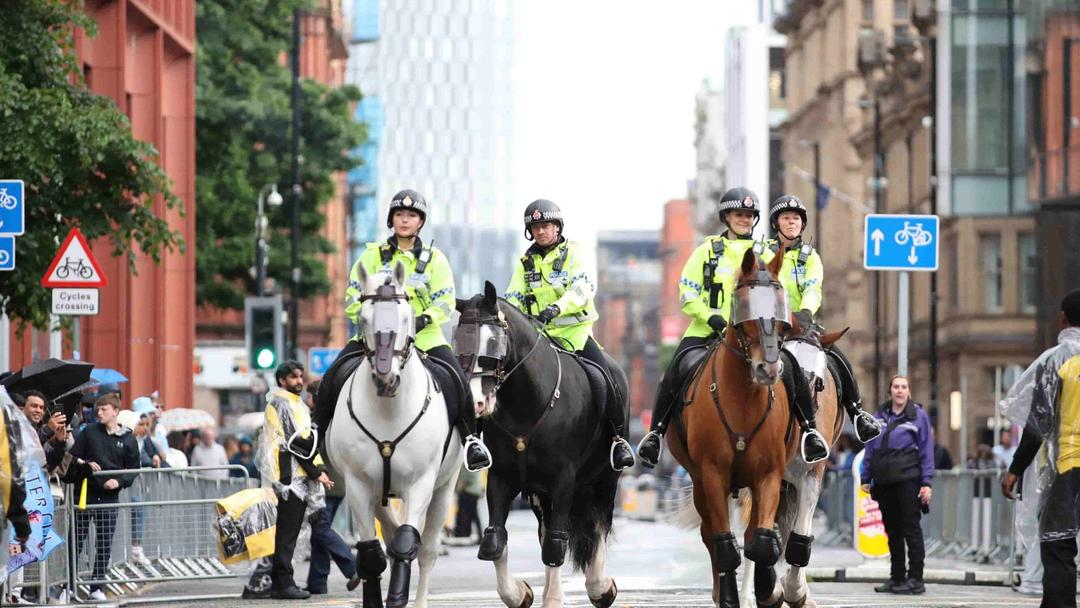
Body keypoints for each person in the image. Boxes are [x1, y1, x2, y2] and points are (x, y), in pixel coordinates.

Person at [638, 187, 830, 466]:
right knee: (676, 369)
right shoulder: (706, 252)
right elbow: (687, 293)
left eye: (750, 215)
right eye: (739, 214)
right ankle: (655, 434)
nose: (745, 219)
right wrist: (709, 316)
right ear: (726, 217)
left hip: (755, 333)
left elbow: (782, 291)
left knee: (789, 368)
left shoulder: (768, 252)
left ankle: (809, 431)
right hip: (708, 330)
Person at [313, 189, 491, 472]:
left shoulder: (436, 260)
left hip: (426, 337)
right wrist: (369, 319)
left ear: (420, 221)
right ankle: (314, 432)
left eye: (411, 215)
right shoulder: (370, 257)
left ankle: (471, 441)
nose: (405, 220)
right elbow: (351, 297)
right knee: (333, 376)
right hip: (374, 339)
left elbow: (445, 301)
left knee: (458, 380)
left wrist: (420, 320)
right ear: (391, 219)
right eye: (399, 214)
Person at [504, 199, 635, 470]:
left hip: (574, 335)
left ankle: (618, 440)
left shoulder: (574, 254)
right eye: (535, 227)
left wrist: (557, 307)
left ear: (557, 227)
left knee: (604, 378)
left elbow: (582, 288)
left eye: (546, 225)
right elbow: (513, 298)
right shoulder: (524, 264)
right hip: (539, 339)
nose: (541, 231)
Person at [764, 195, 882, 443]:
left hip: (801, 325)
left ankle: (857, 413)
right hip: (769, 325)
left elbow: (813, 287)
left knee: (838, 359)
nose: (792, 222)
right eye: (786, 218)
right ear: (776, 223)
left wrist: (806, 312)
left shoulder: (811, 257)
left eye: (796, 218)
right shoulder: (762, 253)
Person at [1001, 289, 1080, 608]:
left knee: (1059, 546)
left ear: (1063, 318)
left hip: (1066, 466)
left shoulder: (1056, 361)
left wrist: (1015, 470)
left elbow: (1037, 424)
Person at [243, 361, 332, 601]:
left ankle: (273, 582)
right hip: (288, 478)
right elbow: (298, 442)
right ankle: (283, 584)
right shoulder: (282, 403)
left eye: (301, 376)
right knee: (286, 535)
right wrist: (317, 472)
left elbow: (307, 441)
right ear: (282, 380)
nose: (300, 381)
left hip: (296, 477)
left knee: (287, 534)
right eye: (294, 377)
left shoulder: (295, 403)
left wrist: (319, 468)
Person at [860, 375, 933, 595]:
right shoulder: (879, 417)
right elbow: (870, 449)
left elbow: (926, 450)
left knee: (911, 529)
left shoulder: (918, 417)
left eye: (904, 387)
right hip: (883, 482)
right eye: (896, 387)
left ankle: (916, 579)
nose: (900, 391)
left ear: (909, 392)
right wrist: (865, 477)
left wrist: (926, 483)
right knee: (892, 532)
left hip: (908, 479)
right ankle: (898, 578)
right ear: (890, 391)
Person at [68, 394, 140, 601]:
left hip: (109, 498)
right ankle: (70, 586)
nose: (99, 412)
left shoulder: (128, 438)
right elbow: (74, 456)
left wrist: (119, 482)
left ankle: (97, 586)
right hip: (85, 494)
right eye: (98, 409)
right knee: (77, 541)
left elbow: (134, 469)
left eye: (104, 409)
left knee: (104, 543)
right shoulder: (89, 432)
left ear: (115, 411)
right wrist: (85, 464)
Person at [301, 379, 358, 595]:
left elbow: (313, 451)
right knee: (318, 533)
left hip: (326, 484)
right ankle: (317, 582)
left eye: (310, 395)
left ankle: (353, 567)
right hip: (337, 483)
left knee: (321, 529)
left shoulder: (321, 421)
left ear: (317, 397)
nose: (307, 400)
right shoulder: (340, 417)